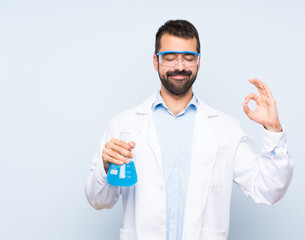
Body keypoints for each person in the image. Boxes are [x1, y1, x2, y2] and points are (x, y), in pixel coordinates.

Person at [85, 19, 294, 240]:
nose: (179, 66)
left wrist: (273, 128)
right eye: (170, 58)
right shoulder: (123, 125)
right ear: (155, 62)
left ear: (199, 62)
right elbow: (98, 200)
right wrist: (106, 167)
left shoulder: (226, 128)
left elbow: (269, 189)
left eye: (188, 58)